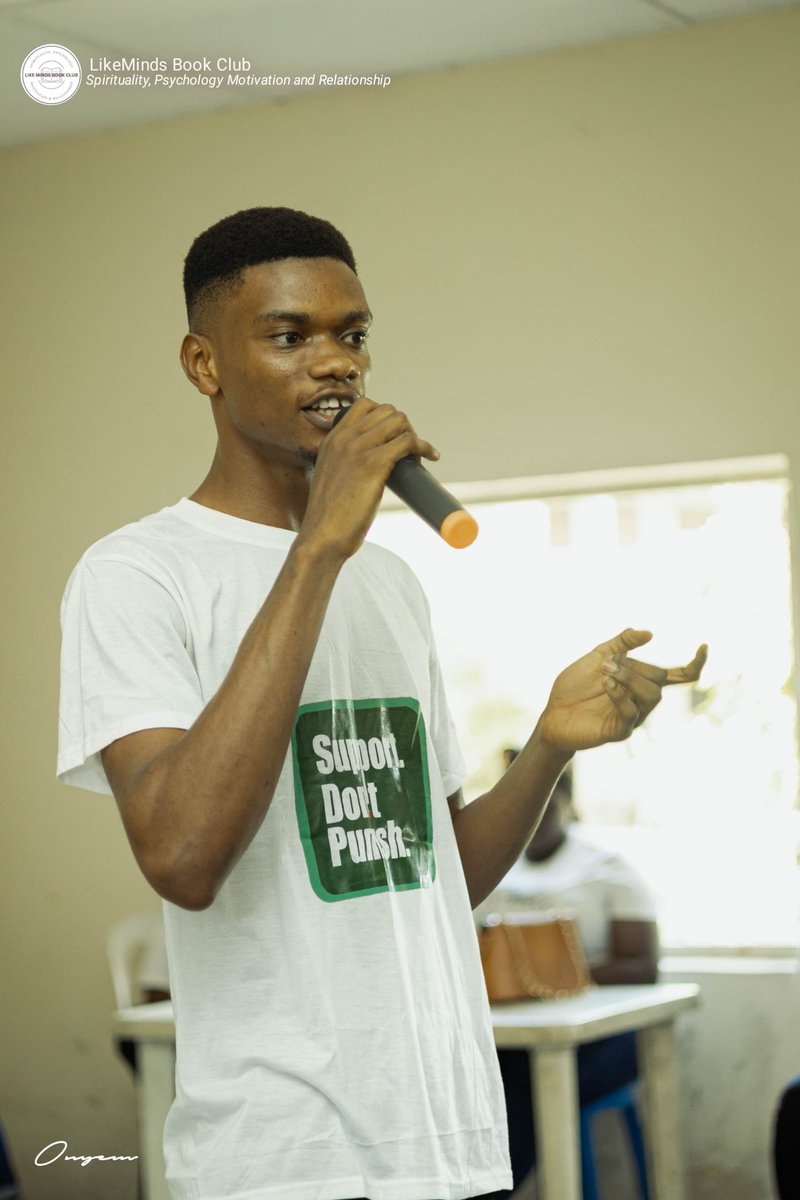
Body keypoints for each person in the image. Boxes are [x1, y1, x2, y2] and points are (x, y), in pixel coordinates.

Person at [57, 205, 706, 1200]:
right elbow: (182, 859)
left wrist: (544, 747)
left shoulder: (389, 582)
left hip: (448, 1142)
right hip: (285, 1162)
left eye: (352, 335)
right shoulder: (138, 575)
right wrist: (316, 548)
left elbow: (432, 876)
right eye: (288, 336)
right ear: (204, 364)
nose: (335, 365)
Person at [475, 759, 659, 1193]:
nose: (532, 816)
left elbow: (642, 965)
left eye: (545, 802)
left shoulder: (607, 868)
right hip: (512, 1033)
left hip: (594, 1039)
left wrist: (552, 973)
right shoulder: (491, 869)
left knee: (521, 1089)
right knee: (479, 1079)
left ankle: (497, 1187)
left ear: (566, 803)